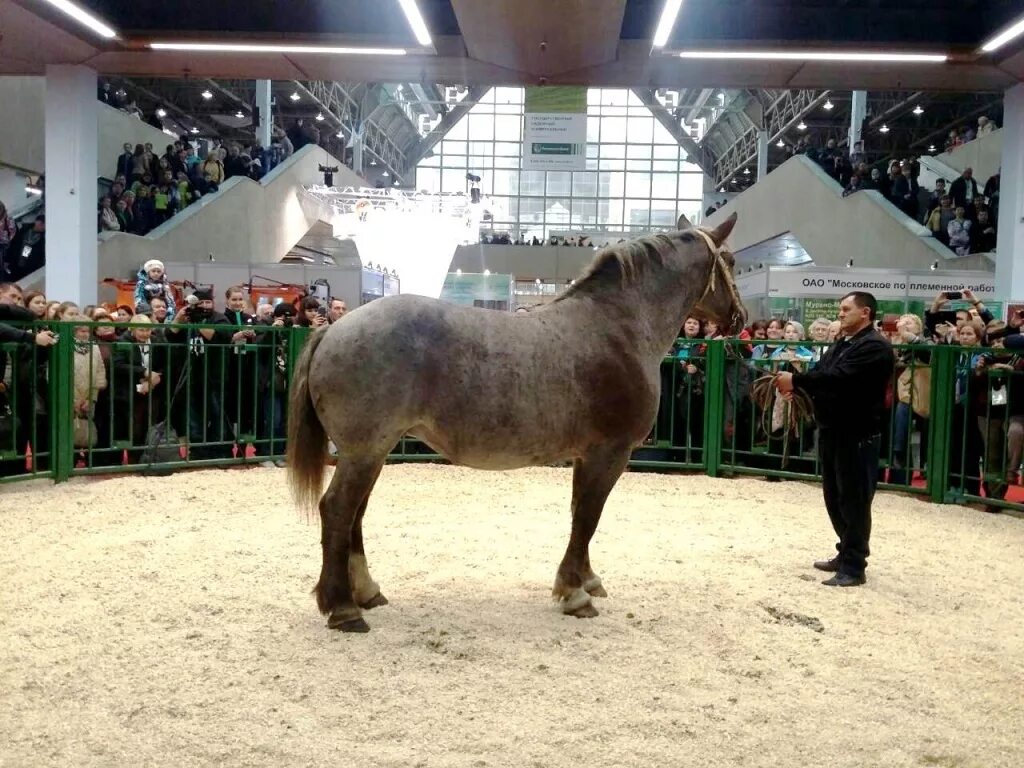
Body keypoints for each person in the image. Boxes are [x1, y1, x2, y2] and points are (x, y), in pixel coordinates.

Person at [773, 292, 894, 587]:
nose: (840, 314)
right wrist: (799, 388)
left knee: (854, 499)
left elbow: (840, 377)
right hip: (833, 428)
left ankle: (855, 566)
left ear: (865, 312)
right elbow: (823, 371)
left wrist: (797, 381)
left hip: (858, 432)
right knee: (835, 495)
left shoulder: (875, 347)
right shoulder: (844, 342)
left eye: (845, 309)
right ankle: (845, 551)